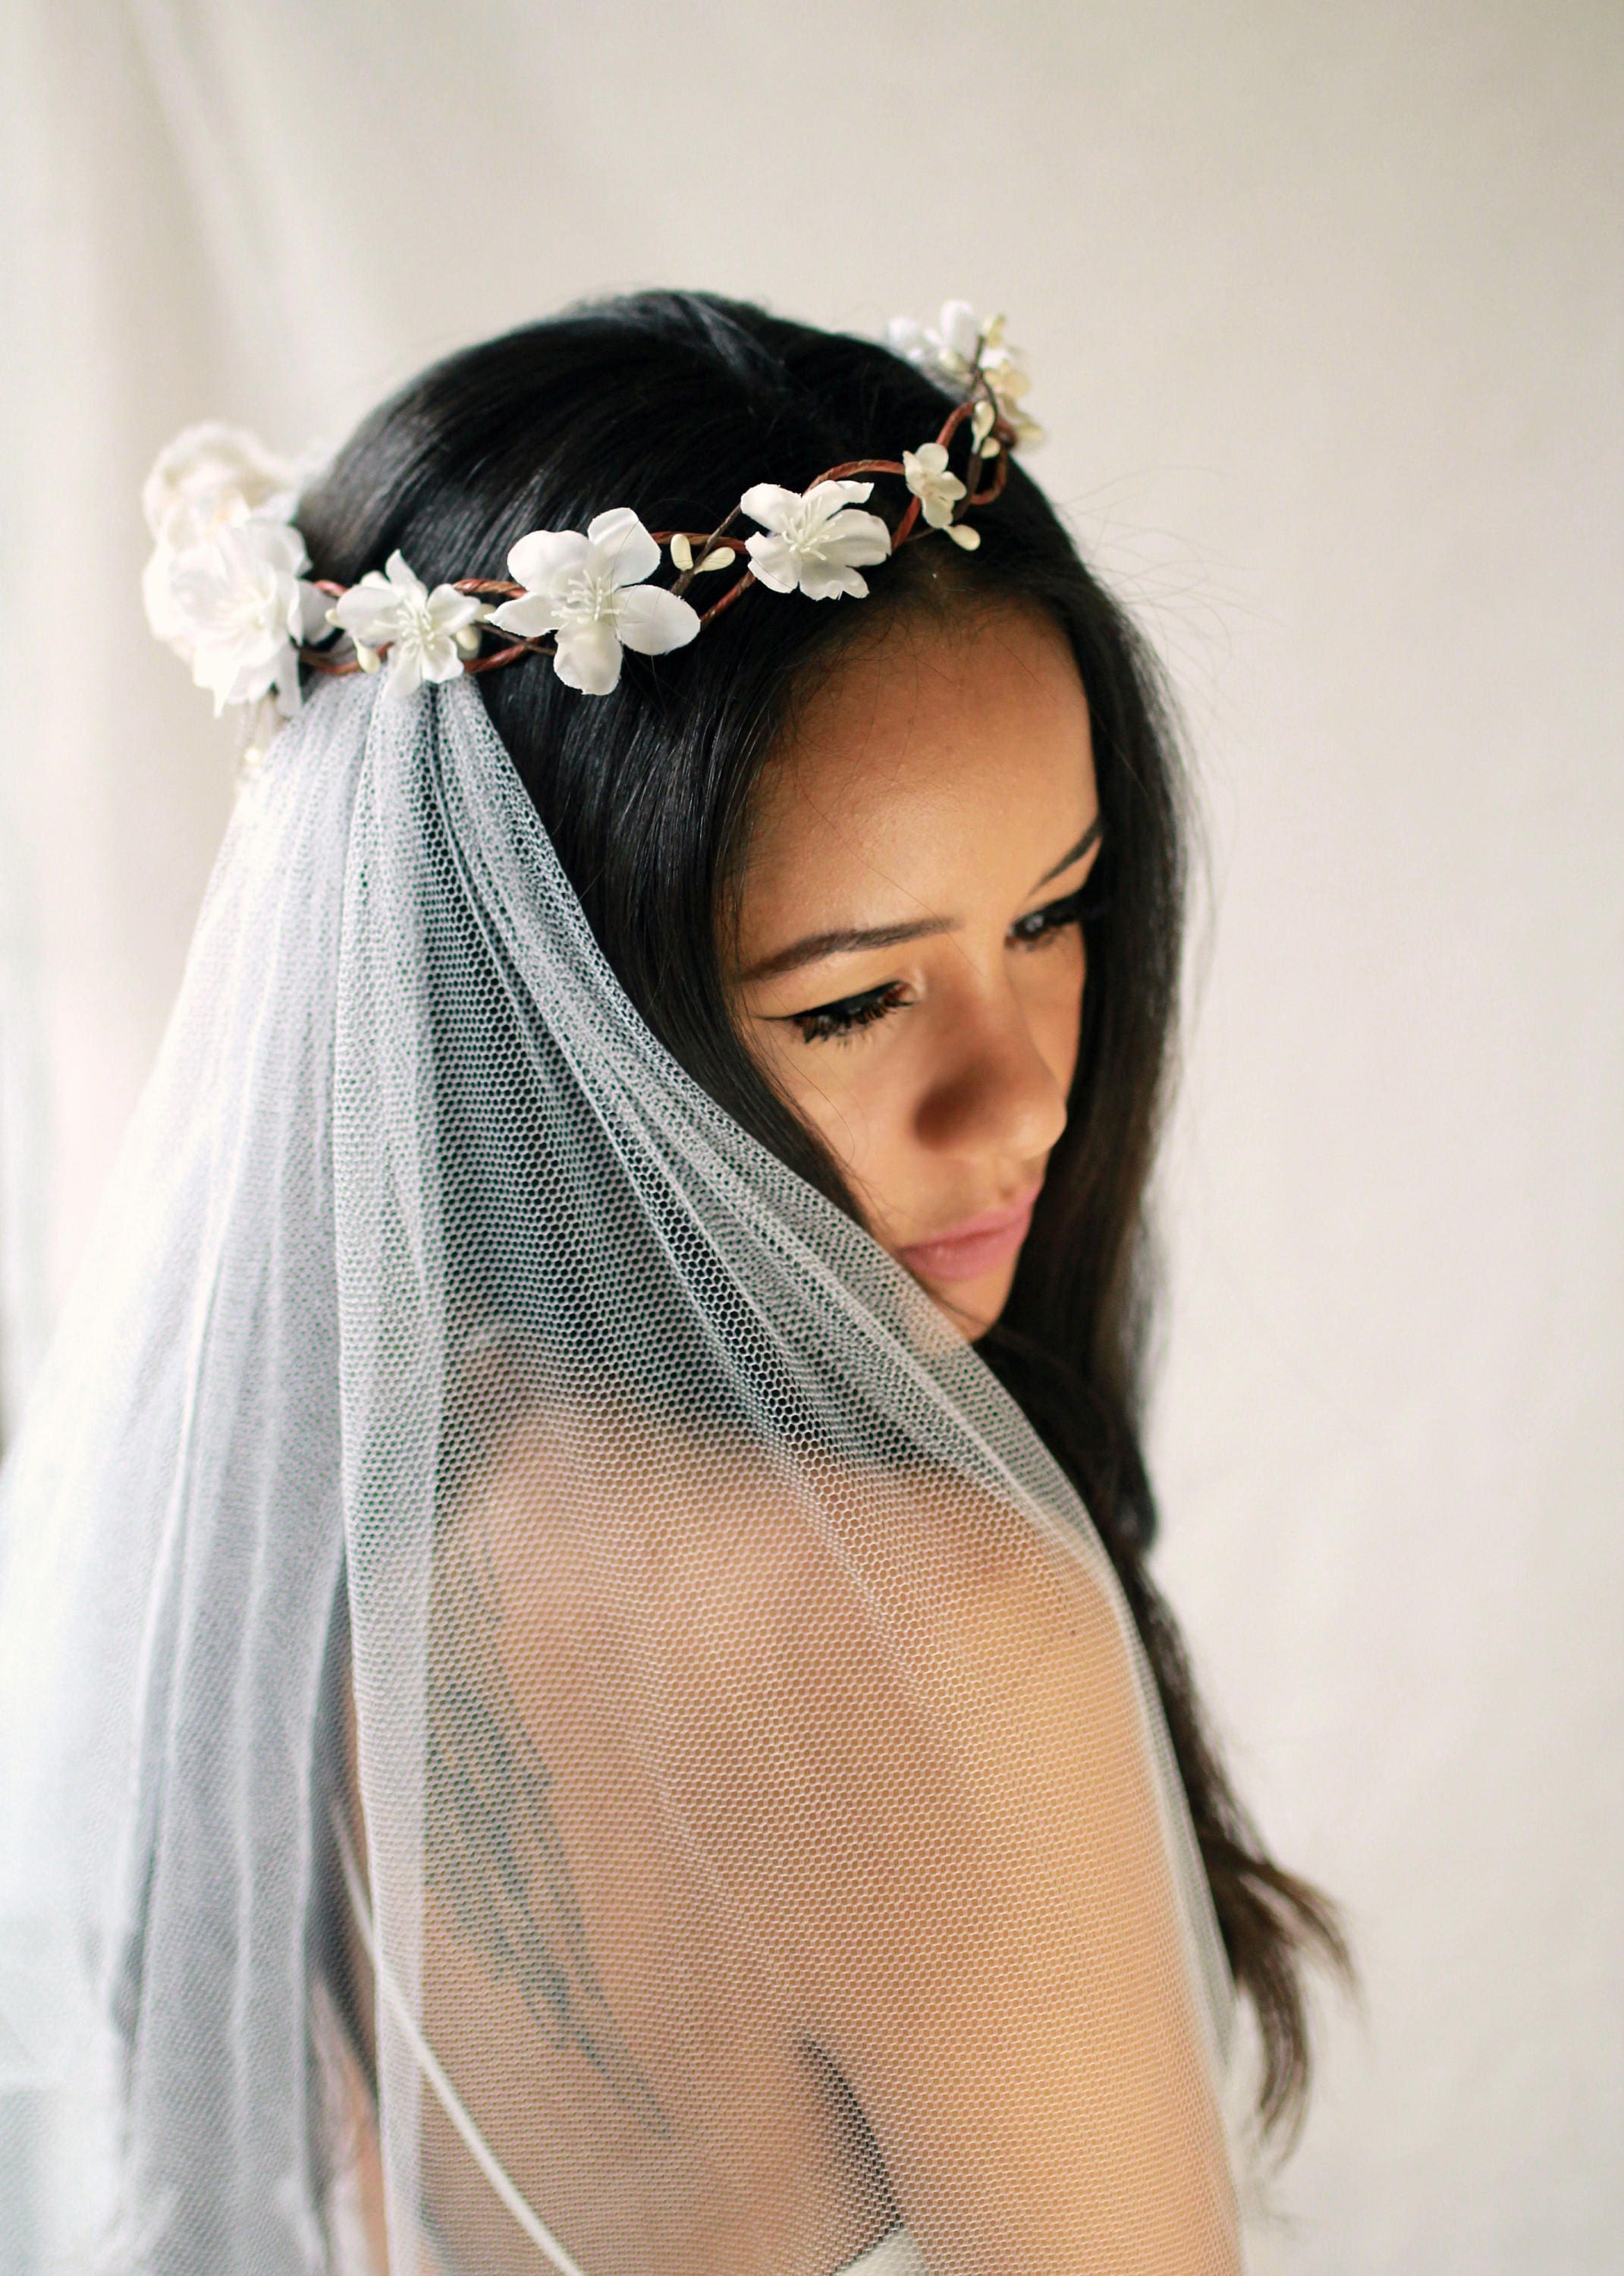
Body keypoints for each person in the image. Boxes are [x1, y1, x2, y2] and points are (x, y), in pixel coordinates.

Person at [0, 291, 1350, 2276]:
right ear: (549, 1022)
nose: (1027, 1095)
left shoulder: (299, 1503)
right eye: (858, 996)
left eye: (1056, 911)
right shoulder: (935, 1638)